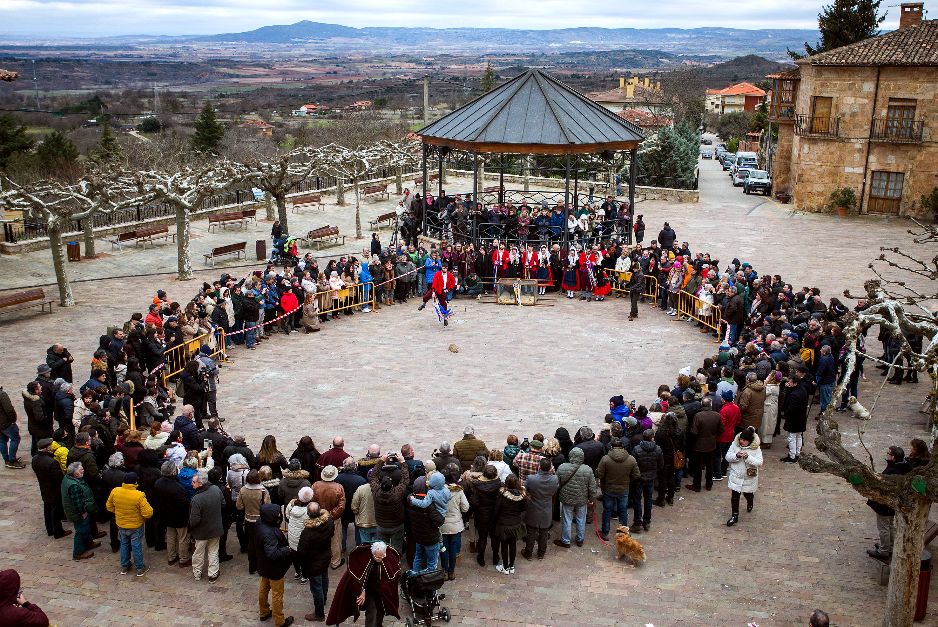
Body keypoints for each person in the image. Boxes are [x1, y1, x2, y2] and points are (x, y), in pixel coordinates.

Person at [326, 541, 401, 627]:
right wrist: (362, 590)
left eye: (382, 556)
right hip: (369, 591)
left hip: (381, 592)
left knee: (381, 610)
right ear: (372, 553)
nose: (380, 559)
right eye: (377, 557)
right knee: (371, 613)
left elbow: (392, 574)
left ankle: (379, 625)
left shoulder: (387, 557)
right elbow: (360, 579)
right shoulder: (364, 560)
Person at [105, 470, 154, 576]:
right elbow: (148, 513)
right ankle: (140, 567)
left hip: (121, 523)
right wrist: (142, 518)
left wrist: (118, 512)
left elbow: (109, 506)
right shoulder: (139, 495)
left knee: (124, 544)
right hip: (135, 525)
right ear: (135, 482)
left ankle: (124, 566)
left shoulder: (115, 491)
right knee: (136, 546)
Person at [866, 446, 912, 558]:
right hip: (891, 504)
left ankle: (884, 550)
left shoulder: (894, 470)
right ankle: (890, 547)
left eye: (888, 453)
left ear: (893, 457)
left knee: (884, 528)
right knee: (890, 525)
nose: (887, 454)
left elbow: (883, 485)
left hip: (885, 503)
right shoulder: (902, 466)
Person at [256, 504, 295, 627]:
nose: (279, 516)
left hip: (263, 565)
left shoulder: (260, 523)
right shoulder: (269, 533)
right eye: (277, 514)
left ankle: (264, 612)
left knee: (263, 589)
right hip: (274, 568)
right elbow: (272, 553)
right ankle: (280, 621)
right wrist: (287, 549)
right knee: (277, 595)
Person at [297, 502, 335, 622]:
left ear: (308, 514)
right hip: (325, 557)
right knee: (324, 578)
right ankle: (323, 600)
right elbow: (332, 534)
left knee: (316, 587)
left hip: (313, 563)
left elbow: (301, 551)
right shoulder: (329, 522)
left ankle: (319, 614)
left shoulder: (307, 532)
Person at [554, 447, 598, 548]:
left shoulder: (562, 467)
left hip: (566, 498)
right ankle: (580, 539)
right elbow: (592, 487)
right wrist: (592, 500)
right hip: (582, 499)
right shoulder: (588, 469)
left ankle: (565, 540)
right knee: (581, 519)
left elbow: (557, 483)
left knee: (567, 519)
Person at [596, 437, 639, 540]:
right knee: (623, 511)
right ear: (622, 447)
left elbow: (599, 474)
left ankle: (605, 532)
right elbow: (636, 475)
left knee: (607, 511)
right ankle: (623, 533)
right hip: (624, 489)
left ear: (611, 446)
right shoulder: (631, 459)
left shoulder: (605, 459)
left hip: (608, 489)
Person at [189, 469, 226, 582]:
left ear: (201, 483)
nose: (192, 483)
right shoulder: (216, 489)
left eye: (194, 482)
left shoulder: (196, 499)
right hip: (215, 529)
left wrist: (191, 527)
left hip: (201, 532)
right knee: (213, 552)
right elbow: (223, 504)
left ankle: (197, 573)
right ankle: (213, 574)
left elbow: (194, 520)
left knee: (198, 553)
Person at [370, 455, 410, 556]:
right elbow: (405, 480)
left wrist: (381, 461)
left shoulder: (376, 492)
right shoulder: (397, 493)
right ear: (392, 485)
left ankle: (384, 565)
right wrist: (402, 462)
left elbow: (373, 476)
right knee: (396, 550)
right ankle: (395, 565)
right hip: (397, 525)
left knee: (382, 550)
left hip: (381, 525)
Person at [31, 438, 70, 539]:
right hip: (54, 489)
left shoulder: (35, 458)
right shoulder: (52, 462)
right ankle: (58, 531)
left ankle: (50, 529)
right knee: (55, 510)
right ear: (48, 448)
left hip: (44, 487)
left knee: (47, 508)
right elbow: (58, 478)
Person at [155, 461, 191, 567]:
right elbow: (185, 503)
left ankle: (171, 557)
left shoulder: (158, 483)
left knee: (170, 536)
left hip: (166, 515)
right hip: (179, 517)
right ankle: (183, 559)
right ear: (173, 472)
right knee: (183, 538)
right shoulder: (177, 487)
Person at [725, 426, 763, 527]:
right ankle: (735, 516)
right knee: (735, 497)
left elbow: (759, 462)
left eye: (744, 440)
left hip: (748, 476)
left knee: (747, 493)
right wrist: (736, 456)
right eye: (741, 439)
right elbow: (727, 457)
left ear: (749, 441)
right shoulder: (735, 444)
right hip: (736, 475)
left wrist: (748, 457)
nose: (742, 441)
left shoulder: (756, 448)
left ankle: (750, 501)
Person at [522, 457, 559, 559]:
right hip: (546, 507)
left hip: (533, 507)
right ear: (549, 468)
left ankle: (528, 553)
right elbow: (555, 491)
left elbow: (526, 491)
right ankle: (541, 554)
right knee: (544, 531)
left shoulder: (531, 479)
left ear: (539, 467)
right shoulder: (554, 479)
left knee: (531, 531)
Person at [236, 469, 271, 575]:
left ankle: (252, 567)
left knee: (251, 543)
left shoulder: (243, 490)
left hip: (248, 519)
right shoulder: (263, 491)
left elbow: (239, 506)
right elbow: (268, 506)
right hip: (260, 520)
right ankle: (261, 567)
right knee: (261, 544)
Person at [313, 464, 347, 570]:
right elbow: (341, 506)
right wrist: (331, 515)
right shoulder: (338, 487)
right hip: (333, 518)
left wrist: (319, 513)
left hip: (318, 516)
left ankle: (319, 559)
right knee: (335, 540)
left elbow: (311, 501)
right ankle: (335, 562)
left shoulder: (315, 485)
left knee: (319, 538)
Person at [493, 474, 527, 575]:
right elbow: (524, 508)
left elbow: (496, 510)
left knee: (504, 546)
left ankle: (505, 566)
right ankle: (512, 566)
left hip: (503, 524)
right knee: (513, 545)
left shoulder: (502, 495)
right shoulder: (522, 495)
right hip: (515, 524)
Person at [439, 463, 469, 580]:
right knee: (453, 548)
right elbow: (465, 507)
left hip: (443, 524)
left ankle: (445, 570)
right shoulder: (458, 491)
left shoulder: (438, 490)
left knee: (444, 548)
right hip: (456, 524)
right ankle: (451, 571)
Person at [686, 398, 721, 492]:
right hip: (711, 444)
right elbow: (721, 429)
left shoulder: (698, 416)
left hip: (699, 445)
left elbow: (694, 431)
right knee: (710, 465)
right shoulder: (717, 415)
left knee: (698, 466)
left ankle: (697, 485)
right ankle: (709, 484)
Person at [631, 430, 663, 533]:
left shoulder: (636, 449)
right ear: (652, 437)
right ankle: (646, 521)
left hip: (639, 478)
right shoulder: (657, 449)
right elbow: (661, 465)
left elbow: (633, 465)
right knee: (648, 499)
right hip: (650, 477)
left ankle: (637, 522)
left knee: (637, 500)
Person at [0, 385, 25, 469]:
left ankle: (6, 460)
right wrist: (13, 420)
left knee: (2, 441)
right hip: (6, 423)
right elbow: (9, 409)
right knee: (15, 438)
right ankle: (12, 460)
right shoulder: (2, 394)